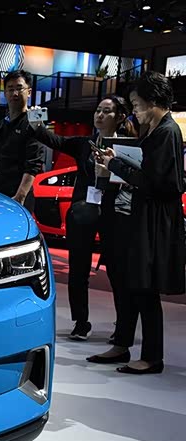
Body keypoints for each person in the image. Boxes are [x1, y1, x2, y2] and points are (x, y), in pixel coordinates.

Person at [89, 71, 185, 374]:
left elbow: (158, 182)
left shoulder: (166, 131)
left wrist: (115, 164)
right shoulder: (157, 129)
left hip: (153, 222)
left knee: (145, 288)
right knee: (132, 284)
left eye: (137, 103)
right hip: (140, 217)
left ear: (153, 100)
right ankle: (123, 344)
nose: (134, 110)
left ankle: (152, 357)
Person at [28, 96, 136, 341]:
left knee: (118, 272)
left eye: (106, 111)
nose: (99, 115)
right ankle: (80, 322)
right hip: (83, 213)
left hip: (114, 214)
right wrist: (36, 122)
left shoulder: (126, 148)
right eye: (98, 110)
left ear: (120, 117)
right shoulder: (84, 144)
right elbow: (53, 140)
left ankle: (123, 325)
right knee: (78, 270)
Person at [0, 69, 45, 210]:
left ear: (29, 92)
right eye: (10, 89)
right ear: (5, 93)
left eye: (19, 88)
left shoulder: (35, 120)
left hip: (18, 197)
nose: (14, 93)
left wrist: (20, 196)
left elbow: (34, 163)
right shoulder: (0, 125)